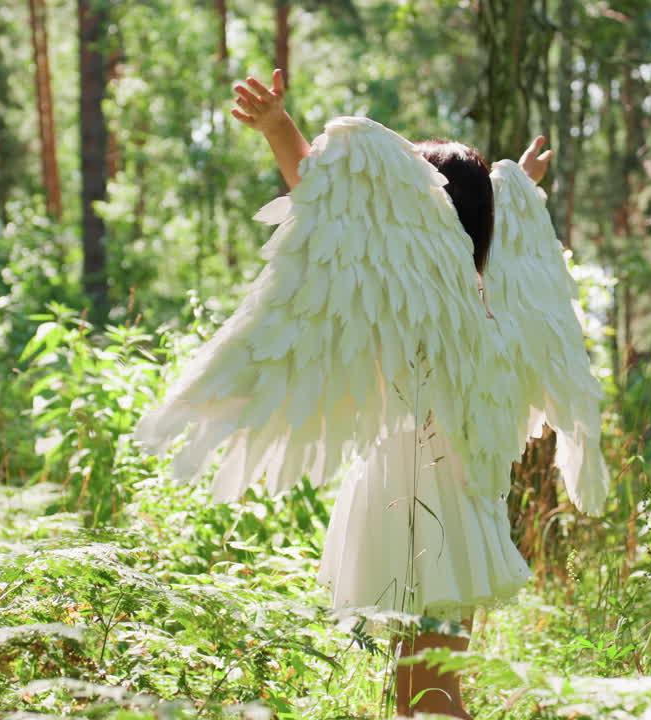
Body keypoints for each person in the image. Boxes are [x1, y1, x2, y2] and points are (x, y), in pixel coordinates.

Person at [230, 69, 558, 718]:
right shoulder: (485, 289)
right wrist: (513, 186)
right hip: (439, 507)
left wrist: (279, 129)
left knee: (432, 699)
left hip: (426, 515)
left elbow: (327, 196)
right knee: (415, 695)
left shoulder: (426, 294)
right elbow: (482, 218)